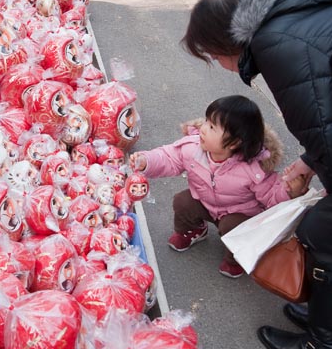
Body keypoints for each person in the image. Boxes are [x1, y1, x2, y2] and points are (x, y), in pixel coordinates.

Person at [183, 0, 332, 349]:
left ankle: (326, 347)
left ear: (227, 44)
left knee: (323, 231)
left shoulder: (279, 48)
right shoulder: (290, 8)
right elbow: (329, 112)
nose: (218, 66)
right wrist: (310, 163)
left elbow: (327, 129)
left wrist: (326, 176)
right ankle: (327, 312)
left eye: (213, 56)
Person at [130, 95, 303, 278]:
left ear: (235, 142)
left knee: (233, 226)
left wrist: (290, 191)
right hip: (205, 202)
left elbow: (271, 196)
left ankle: (235, 258)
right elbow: (169, 157)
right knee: (183, 201)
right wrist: (146, 161)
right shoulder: (194, 148)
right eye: (206, 121)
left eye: (212, 127)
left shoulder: (253, 169)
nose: (203, 129)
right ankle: (194, 230)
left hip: (239, 214)